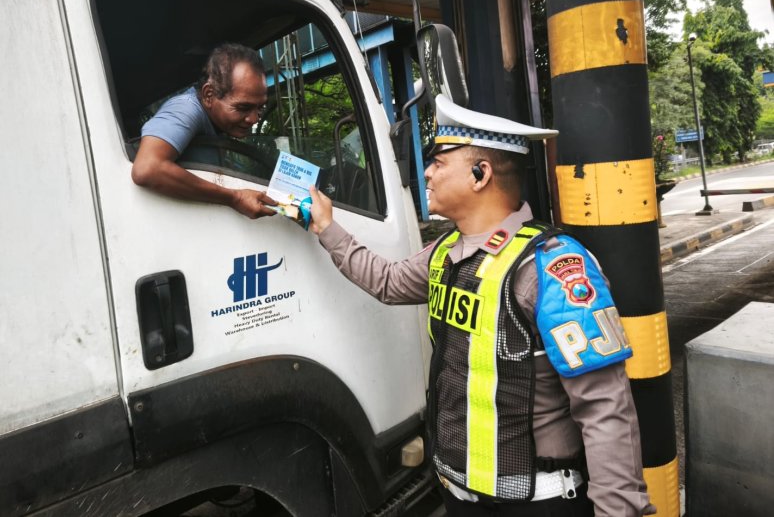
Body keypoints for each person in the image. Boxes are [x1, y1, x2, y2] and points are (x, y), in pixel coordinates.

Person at [307, 94, 654, 516]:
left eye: (439, 161)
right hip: (460, 495)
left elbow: (605, 409)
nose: (427, 173)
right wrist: (326, 226)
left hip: (536, 504)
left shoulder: (553, 267)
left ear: (480, 173)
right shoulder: (446, 252)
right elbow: (387, 281)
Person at [131, 43, 276, 219]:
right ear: (209, 95)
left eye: (260, 108)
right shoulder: (185, 109)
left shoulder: (215, 123)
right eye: (243, 107)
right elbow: (147, 169)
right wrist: (235, 198)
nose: (253, 119)